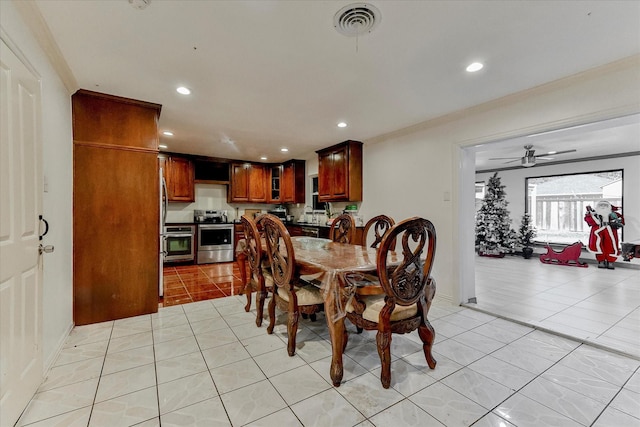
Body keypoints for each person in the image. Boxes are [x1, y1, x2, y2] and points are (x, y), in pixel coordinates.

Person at [584, 200, 624, 269]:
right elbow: (589, 221)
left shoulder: (614, 214)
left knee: (611, 245)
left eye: (605, 205)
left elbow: (621, 220)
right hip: (598, 231)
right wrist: (589, 214)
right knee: (599, 246)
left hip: (610, 230)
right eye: (601, 205)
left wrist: (617, 222)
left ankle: (610, 261)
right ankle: (601, 260)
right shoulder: (594, 214)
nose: (603, 207)